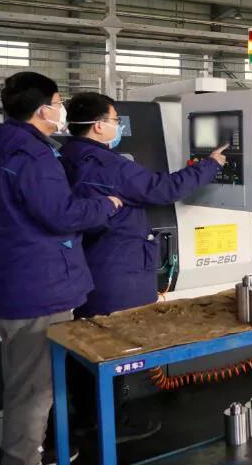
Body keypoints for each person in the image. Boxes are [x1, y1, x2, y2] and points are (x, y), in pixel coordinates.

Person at [59, 92, 227, 442]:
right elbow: (163, 189)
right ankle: (109, 425)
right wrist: (210, 164)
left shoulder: (65, 157)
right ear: (98, 126)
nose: (117, 126)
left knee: (88, 344)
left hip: (85, 264)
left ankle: (86, 417)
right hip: (116, 267)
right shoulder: (108, 165)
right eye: (114, 120)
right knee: (111, 349)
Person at [0, 73, 122, 465]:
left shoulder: (2, 142)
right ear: (41, 109)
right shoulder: (33, 156)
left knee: (23, 378)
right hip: (38, 287)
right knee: (35, 389)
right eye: (57, 101)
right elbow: (61, 215)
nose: (60, 108)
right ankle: (22, 458)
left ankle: (34, 450)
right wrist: (106, 205)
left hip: (11, 279)